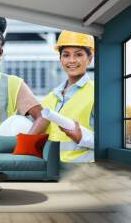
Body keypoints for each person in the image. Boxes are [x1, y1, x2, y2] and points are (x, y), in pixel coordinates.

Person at [42, 30, 95, 163]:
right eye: (66, 55)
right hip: (51, 170)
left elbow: (111, 141)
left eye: (78, 54)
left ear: (89, 59)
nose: (71, 60)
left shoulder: (97, 93)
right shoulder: (51, 97)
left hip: (83, 171)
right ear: (60, 59)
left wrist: (81, 138)